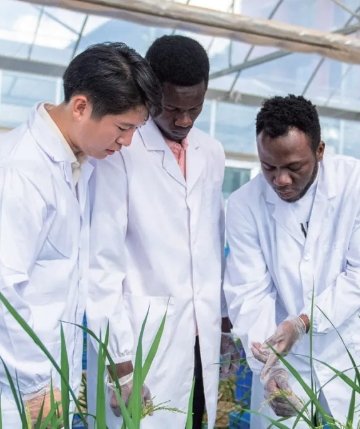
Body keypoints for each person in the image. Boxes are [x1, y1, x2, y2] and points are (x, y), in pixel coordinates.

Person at [0, 42, 161, 428]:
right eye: (123, 128)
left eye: (135, 130)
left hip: (39, 385)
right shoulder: (17, 173)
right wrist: (35, 387)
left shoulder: (75, 165)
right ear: (81, 107)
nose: (127, 143)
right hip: (0, 398)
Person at [86, 35, 240, 429]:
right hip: (139, 338)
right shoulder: (120, 148)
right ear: (151, 94)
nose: (184, 120)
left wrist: (223, 323)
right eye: (172, 108)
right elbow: (101, 260)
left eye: (195, 108)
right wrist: (119, 360)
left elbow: (212, 243)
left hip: (199, 336)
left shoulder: (211, 152)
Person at [223, 95, 360, 428]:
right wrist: (270, 366)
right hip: (283, 356)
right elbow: (249, 291)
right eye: (269, 167)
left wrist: (303, 322)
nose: (280, 180)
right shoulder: (244, 204)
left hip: (347, 350)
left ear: (320, 150)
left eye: (294, 167)